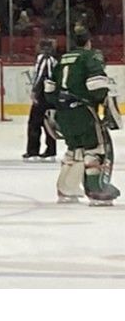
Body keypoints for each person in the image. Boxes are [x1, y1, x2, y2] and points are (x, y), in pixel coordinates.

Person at [45, 27, 120, 205]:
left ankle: (66, 190)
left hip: (64, 113)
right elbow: (97, 87)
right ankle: (96, 191)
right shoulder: (89, 57)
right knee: (94, 149)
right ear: (88, 42)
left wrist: (60, 105)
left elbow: (49, 90)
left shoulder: (61, 59)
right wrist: (101, 102)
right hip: (83, 112)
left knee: (74, 150)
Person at [23, 39, 57, 162]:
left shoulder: (44, 58)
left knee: (34, 123)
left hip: (43, 94)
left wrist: (35, 91)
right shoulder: (54, 60)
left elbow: (41, 76)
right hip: (51, 94)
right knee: (48, 122)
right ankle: (51, 150)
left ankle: (33, 151)